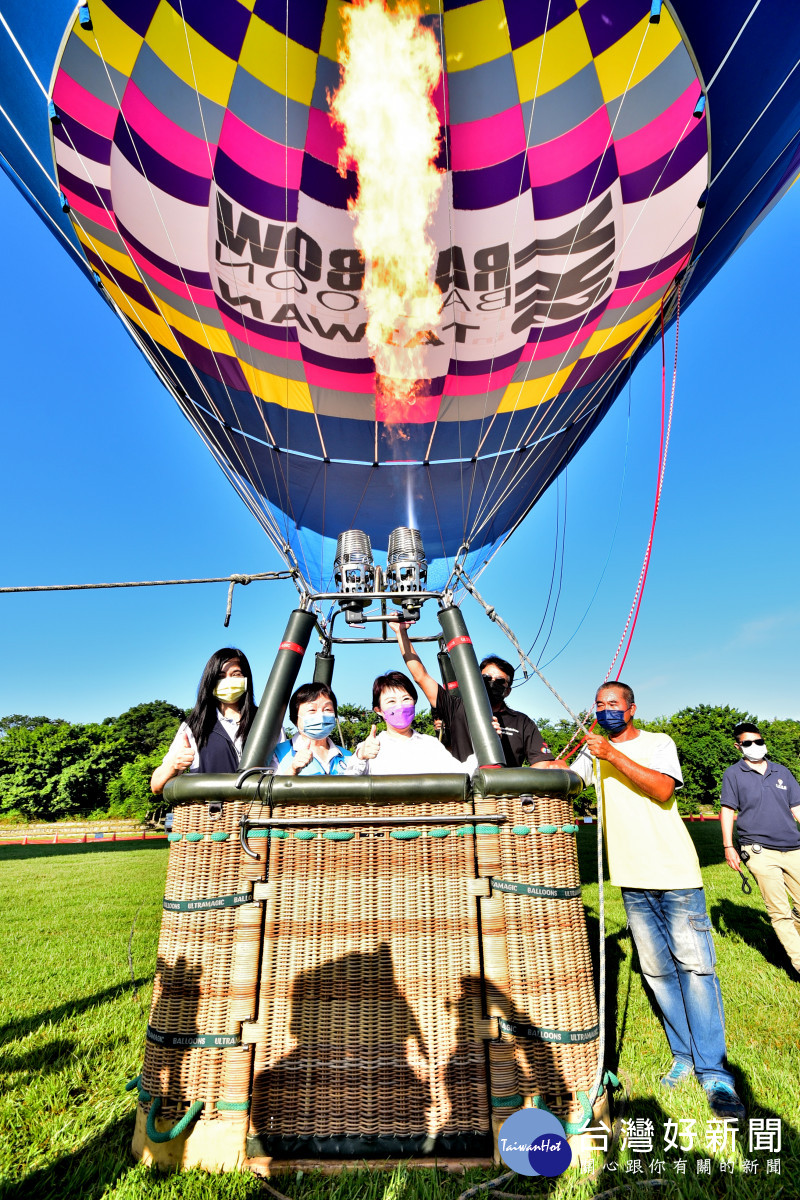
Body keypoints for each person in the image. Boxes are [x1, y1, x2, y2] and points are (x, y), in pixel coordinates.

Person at [571, 681, 745, 1121]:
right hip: (631, 879)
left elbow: (663, 790)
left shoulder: (657, 743)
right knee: (658, 972)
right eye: (599, 705)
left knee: (696, 969)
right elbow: (565, 780)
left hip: (676, 876)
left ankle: (714, 1071)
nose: (606, 710)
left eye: (614, 704)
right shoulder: (594, 751)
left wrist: (612, 756)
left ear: (632, 708)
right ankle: (684, 1057)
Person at [392, 622, 565, 768]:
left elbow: (541, 764)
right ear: (476, 679)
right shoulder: (456, 707)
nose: (492, 683)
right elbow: (420, 676)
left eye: (500, 681)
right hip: (465, 796)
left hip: (505, 801)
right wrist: (401, 632)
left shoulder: (522, 722)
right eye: (486, 678)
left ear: (508, 691)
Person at [720, 721, 800, 978]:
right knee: (779, 911)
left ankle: (790, 943)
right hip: (758, 850)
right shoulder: (733, 774)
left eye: (758, 741)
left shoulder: (782, 772)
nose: (755, 746)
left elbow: (796, 807)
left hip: (793, 847)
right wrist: (728, 846)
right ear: (738, 746)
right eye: (748, 743)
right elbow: (727, 811)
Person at [151, 647, 256, 793]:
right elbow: (156, 786)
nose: (228, 681)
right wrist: (174, 765)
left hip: (258, 813)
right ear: (211, 680)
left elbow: (283, 772)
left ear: (246, 679)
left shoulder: (265, 721)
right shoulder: (194, 726)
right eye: (221, 676)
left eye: (236, 674)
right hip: (213, 813)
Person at [346, 670, 470, 775]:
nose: (400, 706)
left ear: (414, 702)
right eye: (391, 702)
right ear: (379, 710)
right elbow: (347, 784)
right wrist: (360, 756)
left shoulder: (430, 745)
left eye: (406, 699)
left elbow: (461, 774)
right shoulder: (369, 748)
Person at [270, 683, 352, 776]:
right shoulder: (277, 753)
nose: (321, 716)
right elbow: (268, 789)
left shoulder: (347, 756)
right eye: (312, 710)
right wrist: (292, 770)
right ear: (295, 718)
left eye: (327, 709)